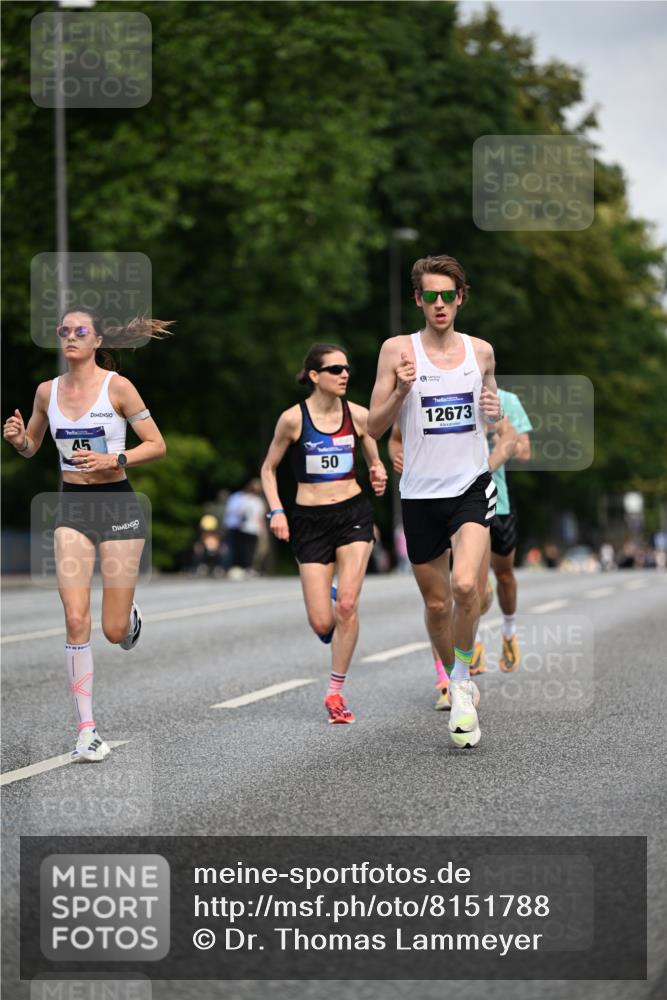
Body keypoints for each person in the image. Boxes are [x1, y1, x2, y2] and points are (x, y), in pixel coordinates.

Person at [3, 308, 170, 762]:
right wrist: (18, 439)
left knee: (113, 630)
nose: (70, 336)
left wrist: (116, 461)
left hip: (116, 504)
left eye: (80, 331)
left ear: (97, 341)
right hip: (72, 508)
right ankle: (87, 730)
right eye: (64, 330)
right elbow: (33, 446)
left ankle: (127, 614)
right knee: (76, 619)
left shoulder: (118, 388)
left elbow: (157, 445)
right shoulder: (46, 392)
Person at [368, 254, 501, 748]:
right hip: (420, 493)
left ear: (460, 298)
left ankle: (462, 683)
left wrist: (493, 410)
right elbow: (374, 427)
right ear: (418, 300)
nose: (440, 304)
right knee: (438, 602)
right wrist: (401, 390)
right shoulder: (396, 351)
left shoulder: (480, 352)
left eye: (449, 295)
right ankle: (449, 672)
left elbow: (492, 414)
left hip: (469, 484)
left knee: (466, 585)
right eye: (431, 296)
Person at [260, 343, 387, 724]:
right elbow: (268, 469)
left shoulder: (359, 416)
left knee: (347, 605)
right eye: (335, 369)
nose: (344, 374)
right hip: (308, 520)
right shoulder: (293, 420)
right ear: (314, 376)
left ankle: (335, 692)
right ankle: (332, 600)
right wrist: (277, 511)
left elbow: (373, 457)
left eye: (346, 368)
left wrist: (378, 471)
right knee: (321, 622)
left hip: (352, 515)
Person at [388, 420, 495, 710]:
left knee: (475, 591)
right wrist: (396, 453)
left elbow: (508, 436)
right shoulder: (411, 382)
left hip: (471, 493)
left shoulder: (476, 377)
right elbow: (394, 437)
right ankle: (451, 680)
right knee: (438, 605)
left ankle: (463, 654)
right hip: (424, 498)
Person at [471, 390, 532, 674]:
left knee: (504, 574)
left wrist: (498, 432)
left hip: (499, 501)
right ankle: (475, 641)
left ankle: (509, 633)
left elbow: (524, 452)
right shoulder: (449, 393)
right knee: (471, 581)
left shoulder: (506, 400)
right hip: (464, 502)